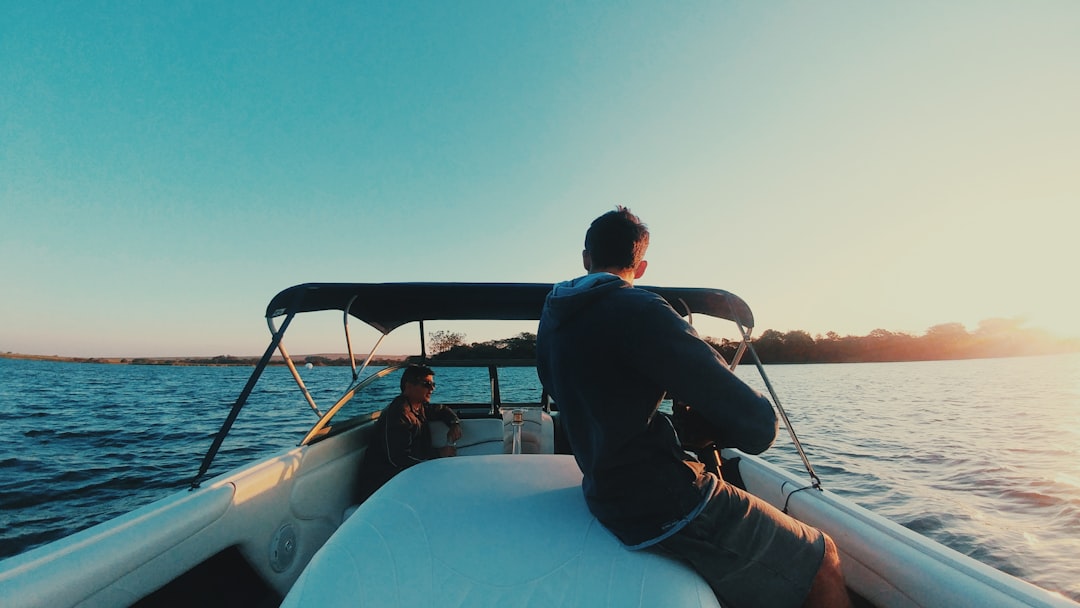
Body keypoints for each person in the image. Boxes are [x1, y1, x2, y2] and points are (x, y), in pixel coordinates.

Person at [536, 207, 850, 608]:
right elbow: (758, 427)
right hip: (666, 503)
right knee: (823, 558)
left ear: (586, 258)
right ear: (642, 266)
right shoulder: (641, 310)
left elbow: (571, 392)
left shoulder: (553, 317)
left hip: (604, 493)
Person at [357, 364, 463, 501]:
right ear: (408, 387)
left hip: (404, 477)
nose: (432, 388)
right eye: (427, 384)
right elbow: (398, 458)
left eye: (433, 384)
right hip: (382, 488)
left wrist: (454, 423)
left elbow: (441, 410)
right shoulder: (399, 414)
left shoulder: (417, 407)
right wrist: (439, 453)